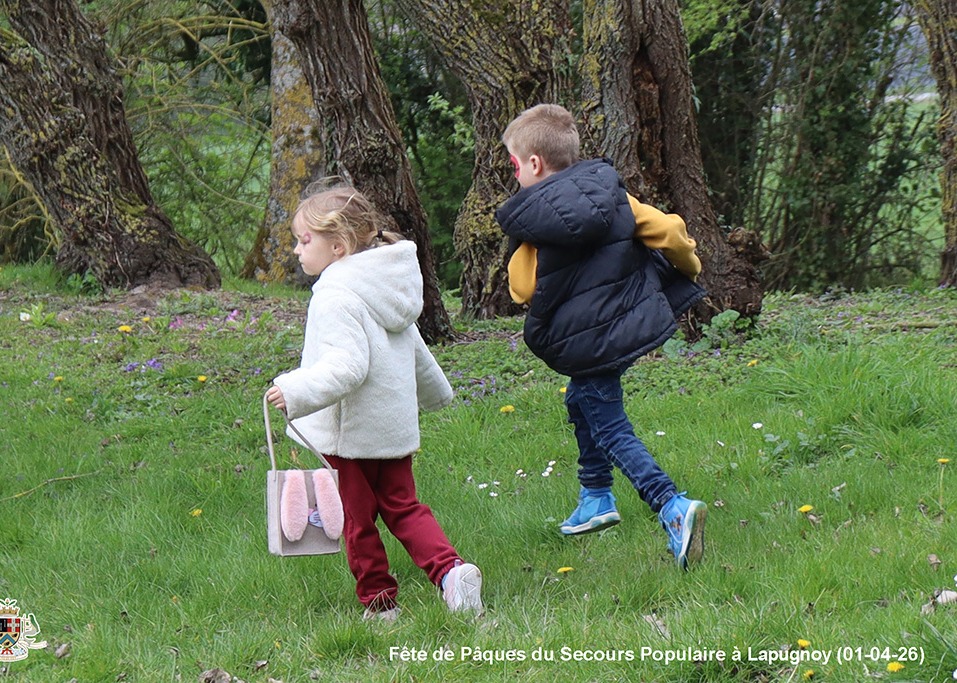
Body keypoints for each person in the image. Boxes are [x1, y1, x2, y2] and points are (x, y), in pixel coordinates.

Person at [495, 104, 709, 570]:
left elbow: (523, 288)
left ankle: (671, 505)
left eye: (514, 165)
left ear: (534, 164)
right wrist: (689, 266)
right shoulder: (612, 191)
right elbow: (669, 231)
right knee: (581, 400)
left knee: (607, 423)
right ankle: (595, 496)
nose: (515, 175)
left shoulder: (533, 220)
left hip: (585, 340)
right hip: (625, 324)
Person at [265, 182, 483, 620]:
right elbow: (415, 350)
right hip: (392, 428)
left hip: (348, 436)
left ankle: (380, 604)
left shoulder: (335, 294)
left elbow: (347, 367)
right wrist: (437, 393)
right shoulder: (387, 286)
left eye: (304, 240)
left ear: (338, 246)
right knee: (404, 508)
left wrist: (296, 390)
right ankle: (451, 573)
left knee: (355, 519)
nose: (296, 250)